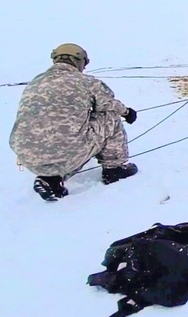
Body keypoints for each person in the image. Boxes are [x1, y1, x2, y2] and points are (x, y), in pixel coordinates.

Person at [9, 44, 139, 201]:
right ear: (79, 61)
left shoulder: (36, 81)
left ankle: (51, 180)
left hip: (26, 154)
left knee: (60, 138)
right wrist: (127, 112)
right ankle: (114, 168)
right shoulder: (86, 82)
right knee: (110, 116)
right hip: (66, 150)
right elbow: (109, 104)